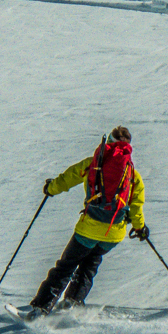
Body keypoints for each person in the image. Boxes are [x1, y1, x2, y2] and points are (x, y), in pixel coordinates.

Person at [23, 126, 148, 317]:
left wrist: (51, 188)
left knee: (66, 266)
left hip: (88, 229)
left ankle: (41, 307)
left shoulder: (93, 165)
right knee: (90, 265)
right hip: (113, 235)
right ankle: (73, 303)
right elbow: (136, 207)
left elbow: (68, 178)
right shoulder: (133, 176)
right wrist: (140, 228)